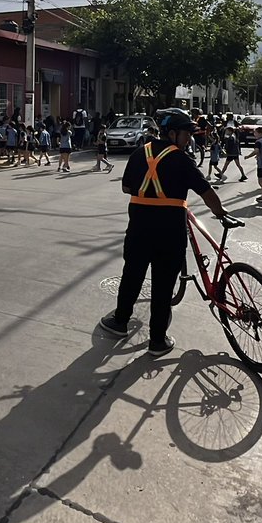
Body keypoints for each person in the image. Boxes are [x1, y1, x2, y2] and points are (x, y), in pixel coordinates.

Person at [99, 111, 226, 358]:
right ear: (172, 133)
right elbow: (206, 192)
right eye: (187, 134)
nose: (189, 139)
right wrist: (220, 212)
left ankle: (120, 321)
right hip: (170, 232)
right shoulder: (182, 159)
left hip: (139, 229)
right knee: (163, 284)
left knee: (132, 274)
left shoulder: (140, 153)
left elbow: (126, 187)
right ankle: (157, 341)